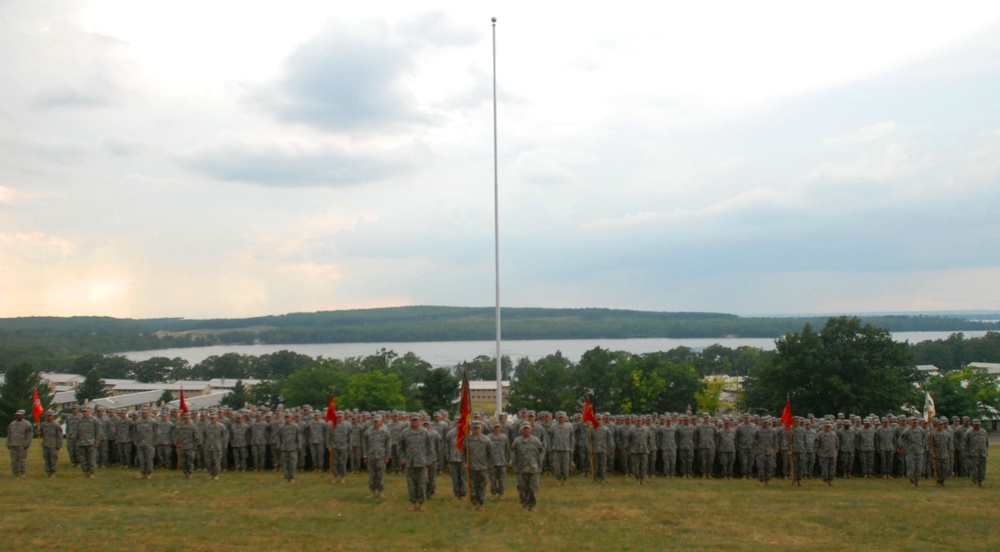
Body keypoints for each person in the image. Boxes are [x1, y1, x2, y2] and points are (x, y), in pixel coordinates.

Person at [399, 413, 433, 511]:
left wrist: (429, 459)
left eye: (416, 420)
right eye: (413, 420)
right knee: (411, 484)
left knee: (422, 484)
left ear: (419, 421)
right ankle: (413, 503)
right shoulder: (404, 433)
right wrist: (402, 458)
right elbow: (400, 447)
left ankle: (422, 503)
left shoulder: (425, 432)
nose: (414, 422)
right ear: (410, 421)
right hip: (409, 462)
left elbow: (430, 447)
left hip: (422, 462)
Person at [511, 422, 545, 512]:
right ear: (521, 430)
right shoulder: (517, 441)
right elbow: (513, 454)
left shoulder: (535, 441)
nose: (526, 430)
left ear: (530, 430)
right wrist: (514, 466)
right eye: (524, 428)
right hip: (521, 469)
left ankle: (532, 505)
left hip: (534, 469)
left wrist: (539, 465)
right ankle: (524, 505)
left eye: (527, 428)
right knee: (522, 489)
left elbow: (541, 452)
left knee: (533, 488)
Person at [363, 415, 391, 498]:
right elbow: (364, 445)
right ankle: (372, 492)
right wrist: (365, 456)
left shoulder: (385, 432)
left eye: (377, 421)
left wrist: (387, 457)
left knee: (381, 474)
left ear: (381, 422)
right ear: (372, 422)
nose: (376, 422)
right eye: (374, 421)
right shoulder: (367, 432)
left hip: (381, 456)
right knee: (372, 475)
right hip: (371, 456)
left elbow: (388, 445)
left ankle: (381, 491)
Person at [6, 409, 33, 478]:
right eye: (17, 415)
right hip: (13, 444)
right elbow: (9, 434)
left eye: (19, 415)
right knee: (14, 460)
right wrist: (8, 443)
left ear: (23, 415)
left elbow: (29, 435)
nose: (18, 416)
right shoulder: (12, 424)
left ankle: (23, 473)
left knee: (22, 460)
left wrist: (27, 444)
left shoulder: (27, 424)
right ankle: (15, 473)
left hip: (22, 445)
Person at [77, 406, 103, 478]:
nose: (84, 413)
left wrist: (97, 442)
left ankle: (92, 473)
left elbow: (98, 431)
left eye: (85, 411)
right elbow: (77, 431)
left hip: (91, 442)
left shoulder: (94, 420)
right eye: (83, 411)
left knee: (92, 459)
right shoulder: (80, 420)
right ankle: (85, 472)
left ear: (89, 412)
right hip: (81, 442)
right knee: (83, 459)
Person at [963, 419, 989, 487]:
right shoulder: (969, 432)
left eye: (978, 424)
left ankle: (980, 481)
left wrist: (986, 451)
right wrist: (967, 453)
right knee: (974, 469)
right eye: (976, 425)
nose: (977, 426)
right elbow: (965, 444)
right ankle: (975, 481)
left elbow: (986, 443)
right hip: (973, 454)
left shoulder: (984, 432)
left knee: (982, 469)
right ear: (973, 425)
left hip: (982, 453)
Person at [175, 413, 202, 479]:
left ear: (189, 418)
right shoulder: (180, 426)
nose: (186, 420)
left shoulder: (193, 427)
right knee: (183, 461)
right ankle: (185, 473)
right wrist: (177, 443)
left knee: (190, 461)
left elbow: (197, 437)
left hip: (190, 447)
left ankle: (190, 473)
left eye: (187, 418)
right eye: (184, 418)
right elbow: (177, 436)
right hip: (182, 447)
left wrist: (194, 446)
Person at [489, 420, 510, 498]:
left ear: (500, 428)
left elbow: (507, 449)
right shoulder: (489, 438)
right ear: (492, 428)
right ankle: (493, 494)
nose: (496, 428)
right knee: (493, 479)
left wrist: (507, 460)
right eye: (495, 427)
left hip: (502, 461)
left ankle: (501, 494)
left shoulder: (504, 437)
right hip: (492, 462)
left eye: (498, 427)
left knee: (501, 479)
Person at [815, 421, 840, 486]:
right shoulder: (820, 434)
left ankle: (830, 480)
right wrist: (819, 453)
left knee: (832, 468)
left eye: (829, 426)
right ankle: (825, 481)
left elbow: (837, 444)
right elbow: (817, 445)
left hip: (832, 454)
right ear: (824, 427)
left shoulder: (834, 434)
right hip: (824, 454)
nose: (827, 427)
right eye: (826, 426)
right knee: (824, 468)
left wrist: (836, 452)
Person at [277, 412, 300, 483]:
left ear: (291, 418)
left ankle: (292, 477)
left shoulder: (295, 427)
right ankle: (286, 478)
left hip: (292, 448)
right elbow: (279, 438)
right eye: (286, 417)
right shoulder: (281, 427)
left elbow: (298, 438)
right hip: (284, 448)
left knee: (292, 464)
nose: (287, 419)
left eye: (288, 417)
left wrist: (298, 446)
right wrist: (279, 446)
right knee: (285, 464)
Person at [40, 410, 63, 478]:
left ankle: (53, 472)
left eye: (50, 415)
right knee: (46, 459)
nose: (49, 417)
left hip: (53, 445)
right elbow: (40, 433)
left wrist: (59, 445)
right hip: (45, 445)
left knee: (53, 460)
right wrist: (38, 433)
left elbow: (59, 436)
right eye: (48, 416)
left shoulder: (56, 425)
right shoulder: (43, 424)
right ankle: (48, 471)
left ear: (53, 416)